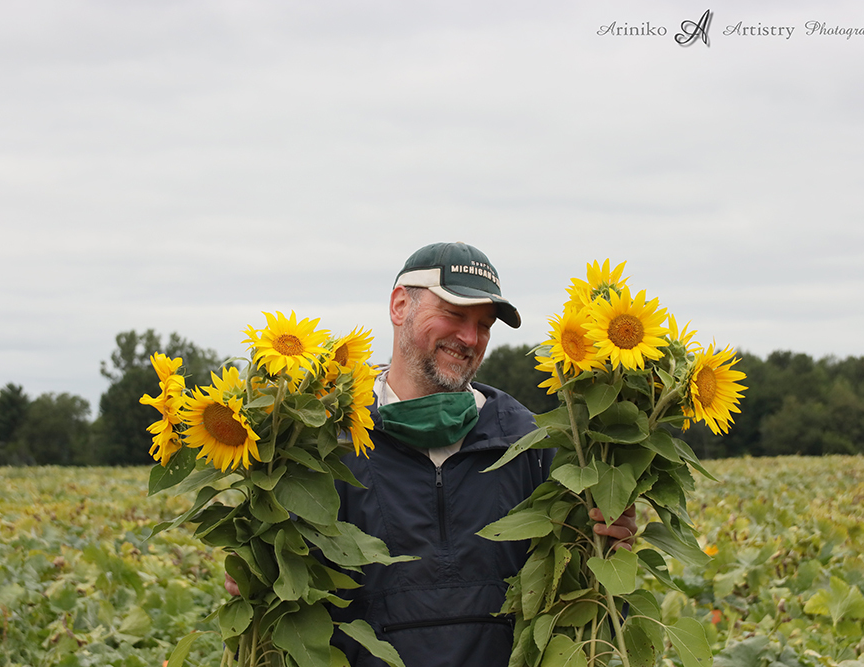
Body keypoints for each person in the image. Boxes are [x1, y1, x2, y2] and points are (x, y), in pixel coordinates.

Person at [226, 242, 636, 667]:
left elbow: (577, 608)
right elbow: (292, 602)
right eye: (455, 314)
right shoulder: (325, 443)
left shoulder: (531, 444)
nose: (470, 338)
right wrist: (260, 570)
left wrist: (608, 551)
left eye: (484, 324)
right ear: (400, 306)